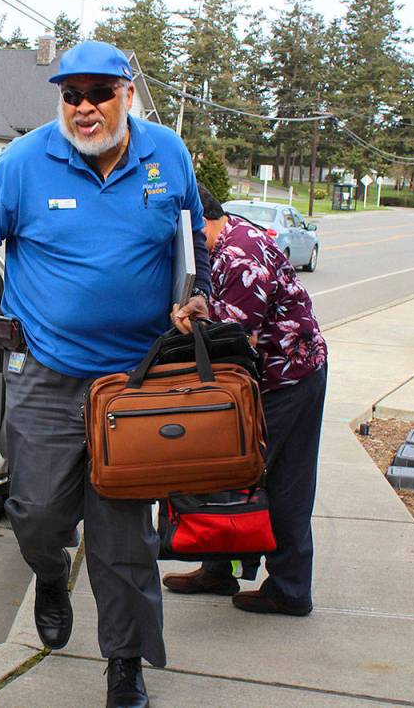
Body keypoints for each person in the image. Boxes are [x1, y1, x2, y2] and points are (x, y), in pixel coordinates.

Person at [0, 41, 212, 708]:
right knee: (34, 515)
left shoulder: (166, 155)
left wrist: (196, 295)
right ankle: (52, 574)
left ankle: (125, 665)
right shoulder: (26, 161)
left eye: (98, 93)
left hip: (134, 385)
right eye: (71, 94)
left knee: (125, 541)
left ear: (127, 95)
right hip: (46, 376)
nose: (83, 107)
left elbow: (193, 241)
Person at [163, 185, 328, 617]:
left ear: (195, 220)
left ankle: (290, 589)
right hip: (274, 376)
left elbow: (237, 341)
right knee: (234, 471)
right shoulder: (221, 247)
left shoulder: (239, 255)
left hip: (287, 378)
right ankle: (220, 568)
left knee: (276, 477)